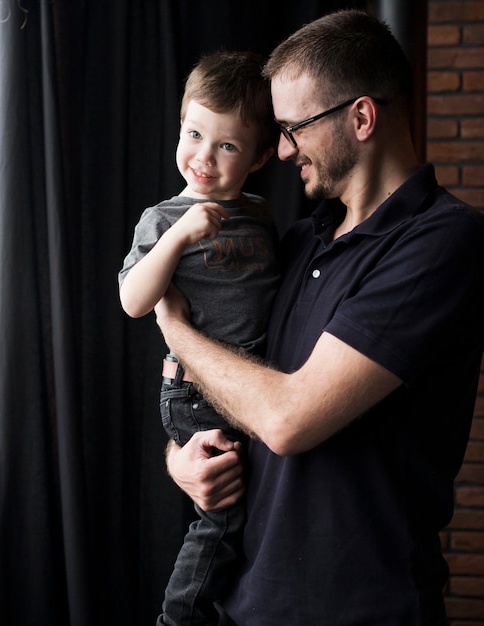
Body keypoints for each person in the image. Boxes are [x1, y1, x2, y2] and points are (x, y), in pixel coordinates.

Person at [155, 9, 484, 625]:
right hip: (245, 601)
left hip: (362, 611)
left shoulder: (444, 242)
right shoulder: (300, 240)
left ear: (362, 117)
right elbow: (233, 391)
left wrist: (174, 329)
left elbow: (284, 418)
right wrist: (183, 460)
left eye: (294, 127)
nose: (279, 150)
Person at [118, 50, 280, 625]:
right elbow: (135, 301)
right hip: (195, 394)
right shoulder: (163, 219)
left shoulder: (261, 216)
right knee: (222, 519)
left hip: (253, 390)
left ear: (262, 155)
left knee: (259, 520)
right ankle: (177, 618)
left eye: (227, 146)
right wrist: (180, 235)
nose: (203, 158)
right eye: (193, 134)